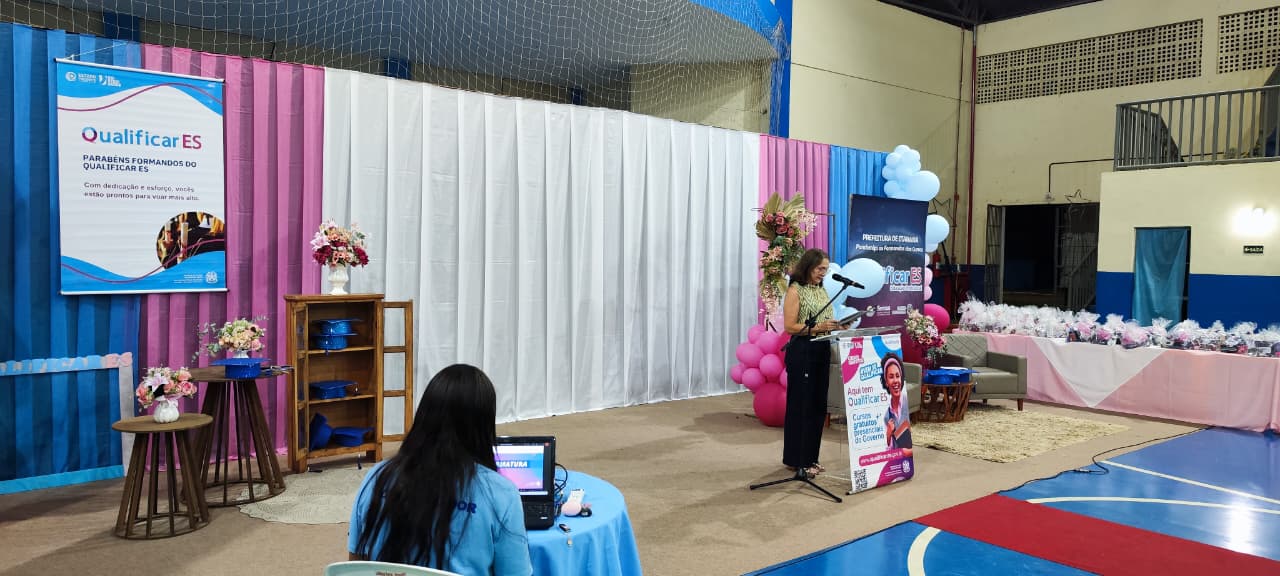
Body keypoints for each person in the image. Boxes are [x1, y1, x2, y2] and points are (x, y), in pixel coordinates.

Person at [349, 364, 532, 575]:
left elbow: (354, 568)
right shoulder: (500, 494)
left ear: (424, 415)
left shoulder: (376, 478)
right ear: (484, 426)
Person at [781, 248, 848, 478]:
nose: (823, 273)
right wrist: (819, 327)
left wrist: (838, 325)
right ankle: (796, 460)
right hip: (803, 351)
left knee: (818, 407)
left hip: (821, 349)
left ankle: (811, 458)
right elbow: (790, 326)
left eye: (826, 270)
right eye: (820, 269)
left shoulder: (821, 290)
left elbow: (823, 320)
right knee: (802, 406)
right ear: (808, 266)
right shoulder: (795, 290)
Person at [881, 353, 913, 453]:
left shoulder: (907, 402)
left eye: (897, 376)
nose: (895, 381)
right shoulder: (887, 416)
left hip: (907, 459)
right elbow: (889, 451)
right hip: (897, 460)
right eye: (891, 377)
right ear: (886, 382)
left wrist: (906, 452)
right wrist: (888, 435)